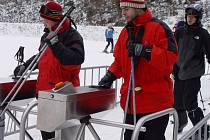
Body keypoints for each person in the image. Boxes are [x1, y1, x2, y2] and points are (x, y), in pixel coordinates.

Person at [99, 0, 178, 139]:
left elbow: (172, 57)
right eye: (122, 8)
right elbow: (120, 60)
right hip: (131, 103)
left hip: (155, 104)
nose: (123, 13)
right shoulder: (125, 31)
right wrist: (110, 75)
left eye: (126, 8)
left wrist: (146, 50)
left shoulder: (159, 27)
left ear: (138, 7)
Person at [13, 1, 84, 140]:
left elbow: (76, 59)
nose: (42, 21)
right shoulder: (47, 35)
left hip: (62, 96)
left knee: (63, 137)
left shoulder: (72, 36)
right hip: (44, 94)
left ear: (53, 18)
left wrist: (56, 44)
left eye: (44, 18)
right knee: (47, 135)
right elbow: (42, 56)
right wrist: (26, 65)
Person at [173, 4, 210, 134]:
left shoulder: (203, 34)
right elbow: (172, 50)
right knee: (177, 102)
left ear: (198, 18)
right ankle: (181, 123)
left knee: (190, 103)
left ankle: (203, 130)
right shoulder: (180, 32)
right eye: (188, 16)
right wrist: (173, 67)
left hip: (193, 73)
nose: (190, 19)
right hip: (179, 72)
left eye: (193, 17)